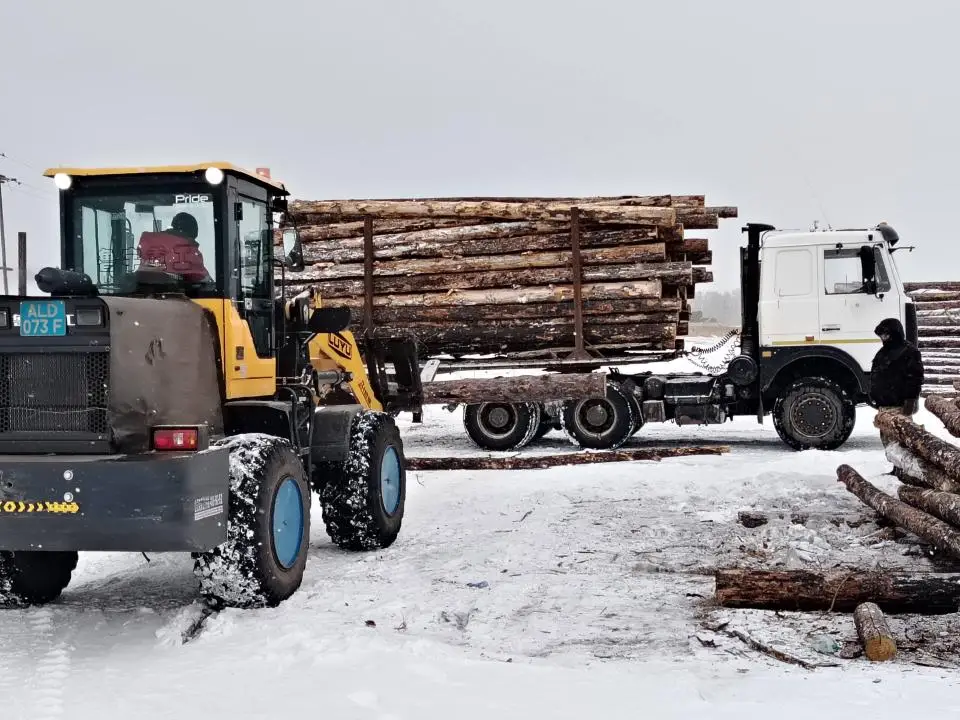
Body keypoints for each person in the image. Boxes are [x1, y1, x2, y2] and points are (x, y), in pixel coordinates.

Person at [869, 317, 923, 431]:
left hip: (900, 407)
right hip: (884, 406)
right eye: (881, 336)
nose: (883, 338)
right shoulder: (882, 353)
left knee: (901, 443)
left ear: (894, 334)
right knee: (889, 445)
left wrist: (911, 400)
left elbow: (915, 378)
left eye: (886, 335)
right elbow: (876, 375)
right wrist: (872, 395)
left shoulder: (909, 351)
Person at [137, 212, 212, 284]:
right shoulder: (189, 251)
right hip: (174, 294)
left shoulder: (149, 245)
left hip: (139, 292)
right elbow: (204, 281)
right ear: (191, 233)